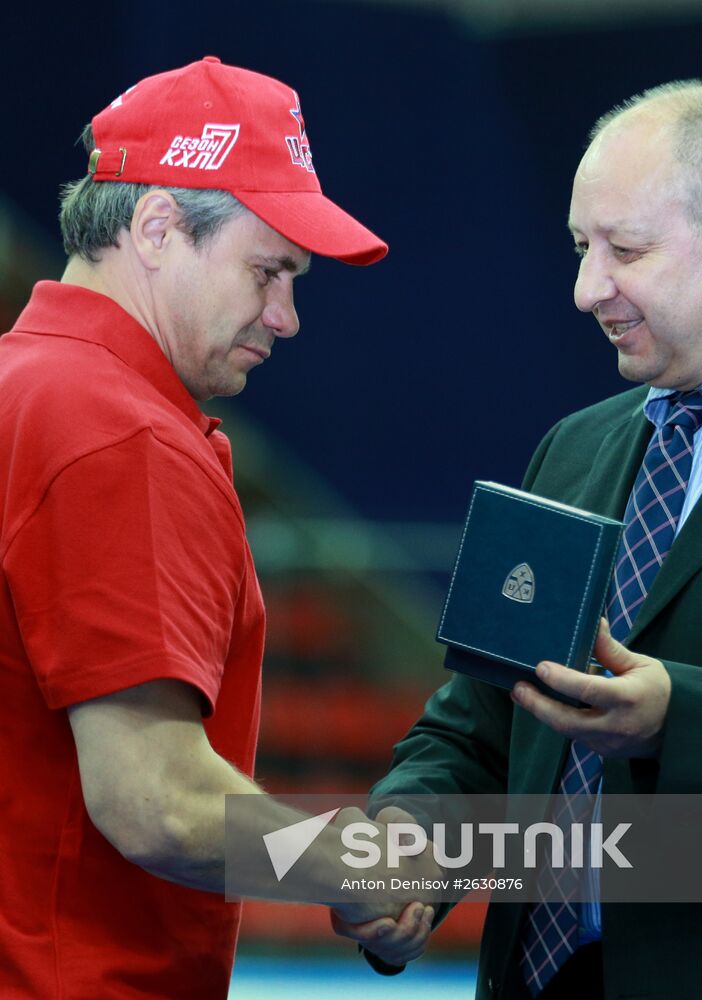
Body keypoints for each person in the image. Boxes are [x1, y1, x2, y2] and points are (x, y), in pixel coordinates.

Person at [337, 79, 702, 998]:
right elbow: (483, 726)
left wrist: (684, 723)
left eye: (625, 250)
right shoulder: (574, 449)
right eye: (581, 249)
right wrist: (410, 842)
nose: (587, 290)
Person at [0, 56, 435, 999]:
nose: (286, 316)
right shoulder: (118, 432)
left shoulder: (23, 384)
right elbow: (154, 800)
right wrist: (350, 867)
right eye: (268, 272)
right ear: (157, 227)